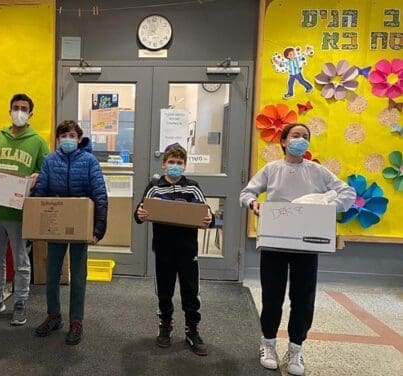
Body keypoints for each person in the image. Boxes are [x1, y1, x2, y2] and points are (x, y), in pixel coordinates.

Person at [240, 123, 356, 375]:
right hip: (275, 243)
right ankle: (268, 343)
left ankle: (295, 348)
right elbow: (247, 192)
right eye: (295, 136)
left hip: (306, 244)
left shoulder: (317, 171)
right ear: (283, 141)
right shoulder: (272, 169)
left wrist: (327, 206)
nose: (300, 140)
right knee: (272, 297)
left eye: (305, 136)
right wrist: (254, 204)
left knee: (303, 300)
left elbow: (347, 193)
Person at [32, 120, 108, 345]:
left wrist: (98, 229)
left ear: (79, 138)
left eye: (72, 135)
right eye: (63, 135)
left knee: (78, 275)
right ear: (57, 139)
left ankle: (77, 321)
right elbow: (40, 191)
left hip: (80, 227)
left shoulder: (89, 161)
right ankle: (53, 316)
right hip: (55, 225)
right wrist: (36, 223)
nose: (67, 139)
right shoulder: (49, 160)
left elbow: (100, 195)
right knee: (52, 273)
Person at [133, 143, 213, 356]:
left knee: (190, 289)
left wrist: (209, 219)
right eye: (171, 162)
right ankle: (165, 324)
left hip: (187, 249)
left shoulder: (193, 187)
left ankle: (192, 329)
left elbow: (206, 214)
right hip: (164, 248)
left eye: (179, 163)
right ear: (164, 164)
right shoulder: (154, 187)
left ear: (185, 165)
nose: (175, 166)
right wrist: (139, 215)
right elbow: (141, 212)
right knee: (165, 289)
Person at [0, 93, 49, 326]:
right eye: (15, 107)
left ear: (30, 114)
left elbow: (46, 173)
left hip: (19, 213)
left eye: (24, 108)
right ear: (10, 111)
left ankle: (20, 301)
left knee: (20, 260)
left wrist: (39, 177)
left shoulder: (38, 142)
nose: (19, 111)